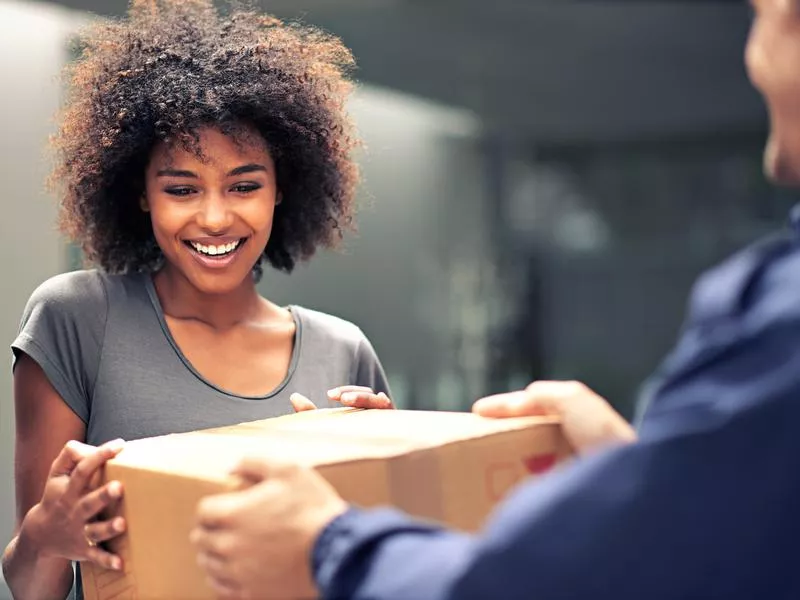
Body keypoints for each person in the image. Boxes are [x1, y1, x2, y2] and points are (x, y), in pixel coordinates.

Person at [190, 0, 800, 598]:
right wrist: (645, 468)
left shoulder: (784, 313)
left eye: (764, 19)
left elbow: (547, 578)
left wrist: (329, 543)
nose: (754, 60)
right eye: (182, 188)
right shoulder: (93, 319)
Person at [0, 2, 393, 599]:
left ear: (281, 189)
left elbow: (370, 571)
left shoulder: (343, 350)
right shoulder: (78, 319)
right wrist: (47, 536)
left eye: (244, 186)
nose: (214, 218)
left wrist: (391, 466)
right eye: (182, 188)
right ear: (141, 193)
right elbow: (32, 589)